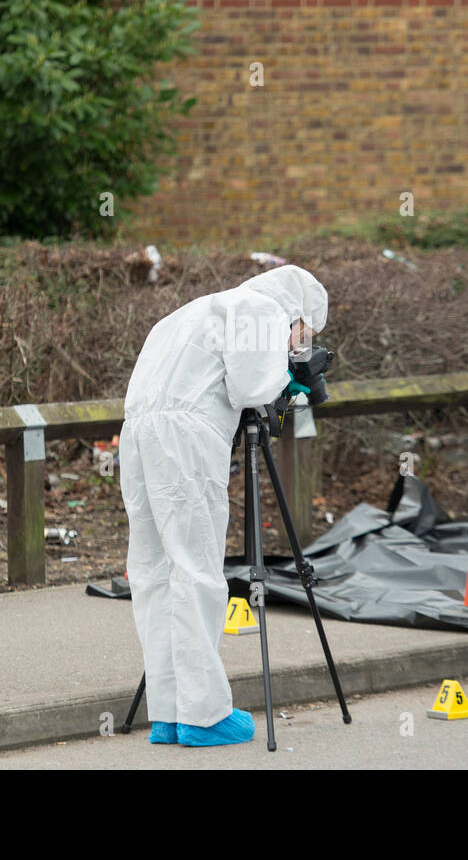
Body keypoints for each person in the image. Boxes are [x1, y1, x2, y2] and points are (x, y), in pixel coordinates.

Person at [119, 264, 329, 747]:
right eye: (304, 334)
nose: (300, 343)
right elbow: (252, 389)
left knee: (154, 572)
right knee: (196, 570)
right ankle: (205, 715)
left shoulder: (193, 311)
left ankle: (167, 713)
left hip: (138, 434)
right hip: (186, 440)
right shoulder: (262, 309)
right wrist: (287, 380)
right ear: (298, 313)